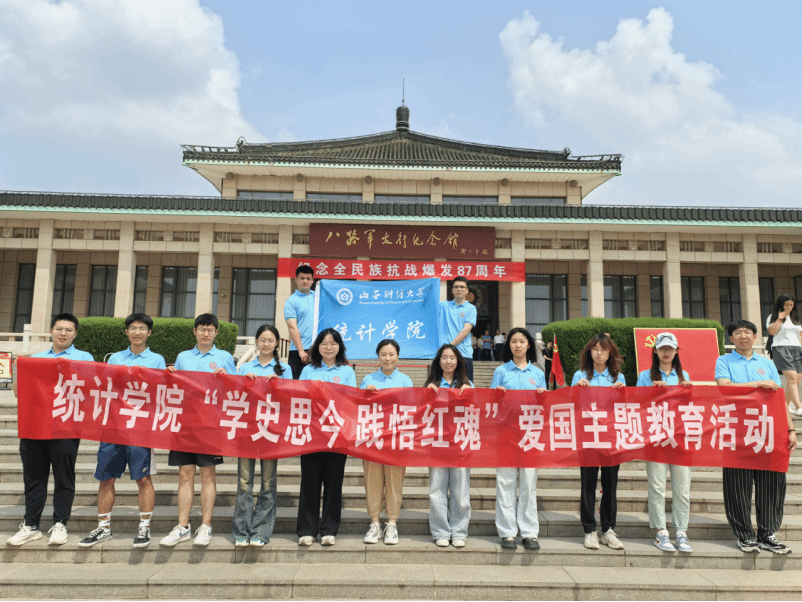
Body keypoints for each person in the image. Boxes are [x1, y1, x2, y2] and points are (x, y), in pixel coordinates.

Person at [79, 313, 166, 549]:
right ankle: (103, 527)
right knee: (106, 478)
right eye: (133, 328)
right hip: (113, 428)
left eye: (142, 328)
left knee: (143, 479)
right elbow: (105, 386)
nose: (137, 332)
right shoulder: (115, 358)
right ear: (126, 332)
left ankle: (144, 527)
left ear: (149, 333)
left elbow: (161, 391)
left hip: (140, 429)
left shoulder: (157, 360)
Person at [7, 313, 94, 547]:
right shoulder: (35, 359)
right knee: (34, 477)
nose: (63, 333)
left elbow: (89, 390)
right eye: (59, 329)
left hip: (66, 427)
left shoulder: (84, 358)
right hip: (35, 427)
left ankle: (60, 524)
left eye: (68, 330)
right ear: (51, 331)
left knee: (64, 477)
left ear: (75, 334)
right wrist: (19, 369)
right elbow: (19, 393)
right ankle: (31, 526)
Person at [715, 320, 797, 554]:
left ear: (755, 337)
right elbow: (725, 388)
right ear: (731, 338)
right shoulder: (724, 361)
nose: (743, 336)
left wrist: (790, 430)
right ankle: (745, 535)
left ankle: (767, 534)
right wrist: (759, 383)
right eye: (738, 333)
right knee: (737, 486)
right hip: (737, 430)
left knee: (771, 484)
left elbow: (779, 399)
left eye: (747, 332)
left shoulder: (767, 363)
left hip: (768, 430)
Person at [160, 313, 236, 547]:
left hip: (210, 424)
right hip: (185, 424)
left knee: (207, 474)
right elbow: (175, 387)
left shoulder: (224, 357)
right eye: (202, 329)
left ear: (216, 333)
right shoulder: (183, 357)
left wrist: (227, 378)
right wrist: (170, 376)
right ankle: (182, 527)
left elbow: (237, 390)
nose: (206, 333)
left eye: (210, 330)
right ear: (194, 331)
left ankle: (206, 526)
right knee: (185, 474)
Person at [297, 328, 356, 546]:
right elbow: (298, 397)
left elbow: (351, 401)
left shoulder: (347, 372)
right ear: (317, 347)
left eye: (333, 343)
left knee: (334, 483)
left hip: (337, 435)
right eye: (324, 343)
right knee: (309, 482)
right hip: (311, 434)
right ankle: (307, 529)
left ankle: (329, 529)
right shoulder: (308, 370)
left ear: (340, 346)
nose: (328, 347)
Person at [234, 325, 292, 547]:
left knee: (268, 483)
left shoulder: (285, 369)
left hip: (271, 433)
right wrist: (244, 383)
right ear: (256, 342)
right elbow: (234, 396)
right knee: (244, 483)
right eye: (263, 340)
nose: (266, 344)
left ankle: (261, 531)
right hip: (247, 431)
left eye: (271, 340)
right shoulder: (245, 367)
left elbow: (291, 400)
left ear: (277, 343)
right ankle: (242, 531)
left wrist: (279, 385)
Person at [636, 332, 693, 554]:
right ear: (655, 351)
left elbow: (690, 408)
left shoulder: (684, 376)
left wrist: (688, 392)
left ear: (676, 352)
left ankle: (681, 531)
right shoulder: (645, 376)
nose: (666, 352)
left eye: (670, 349)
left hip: (679, 438)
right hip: (656, 438)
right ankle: (661, 531)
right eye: (662, 349)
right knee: (657, 487)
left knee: (682, 489)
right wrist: (652, 392)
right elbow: (637, 405)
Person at [490, 327, 546, 551]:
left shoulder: (538, 373)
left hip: (531, 434)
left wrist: (543, 397)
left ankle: (530, 532)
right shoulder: (501, 371)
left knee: (528, 484)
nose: (518, 345)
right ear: (509, 345)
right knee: (505, 483)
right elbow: (491, 404)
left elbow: (545, 406)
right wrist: (497, 395)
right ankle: (507, 532)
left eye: (522, 341)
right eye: (514, 341)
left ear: (529, 345)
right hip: (506, 433)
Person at [571, 333, 626, 551]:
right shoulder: (580, 375)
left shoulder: (618, 377)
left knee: (610, 484)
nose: (599, 353)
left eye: (603, 349)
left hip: (611, 437)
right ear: (589, 352)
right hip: (588, 437)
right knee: (588, 483)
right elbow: (570, 404)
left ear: (610, 352)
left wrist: (622, 394)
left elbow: (625, 408)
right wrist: (576, 390)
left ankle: (608, 529)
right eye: (595, 349)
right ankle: (589, 530)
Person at [360, 339, 413, 545]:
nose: (387, 358)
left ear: (397, 356)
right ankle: (374, 523)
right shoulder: (368, 379)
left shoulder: (405, 381)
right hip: (373, 441)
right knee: (373, 482)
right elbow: (358, 407)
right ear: (378, 356)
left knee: (394, 483)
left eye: (391, 354)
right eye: (383, 354)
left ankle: (391, 523)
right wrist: (366, 394)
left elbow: (411, 409)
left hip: (396, 442)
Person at [424, 344, 473, 548]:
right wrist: (425, 395)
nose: (448, 361)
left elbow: (477, 413)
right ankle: (440, 531)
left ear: (458, 361)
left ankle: (459, 531)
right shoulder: (431, 385)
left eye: (452, 358)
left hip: (460, 445)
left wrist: (472, 395)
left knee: (461, 491)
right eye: (444, 357)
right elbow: (421, 415)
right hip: (437, 445)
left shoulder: (468, 385)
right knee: (437, 490)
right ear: (438, 361)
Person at [765, 294, 802, 416]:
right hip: (781, 348)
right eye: (786, 305)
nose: (789, 307)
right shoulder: (773, 317)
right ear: (781, 305)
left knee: (797, 378)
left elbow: (800, 335)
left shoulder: (795, 318)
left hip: (796, 348)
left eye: (791, 305)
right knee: (792, 378)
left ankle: (783, 405)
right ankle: (799, 407)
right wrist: (780, 318)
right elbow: (772, 331)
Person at [439, 276, 477, 381]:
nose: (459, 289)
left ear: (467, 290)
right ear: (452, 290)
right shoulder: (444, 305)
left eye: (462, 287)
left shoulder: (471, 308)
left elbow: (465, 331)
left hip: (463, 354)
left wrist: (449, 346)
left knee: (465, 387)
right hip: (446, 356)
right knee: (444, 387)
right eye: (456, 287)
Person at [285, 265, 315, 379]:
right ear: (296, 280)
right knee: (297, 385)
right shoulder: (291, 301)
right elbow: (292, 327)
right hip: (298, 351)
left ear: (312, 280)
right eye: (302, 278)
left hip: (318, 350)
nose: (305, 281)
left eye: (308, 278)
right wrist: (301, 351)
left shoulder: (318, 297)